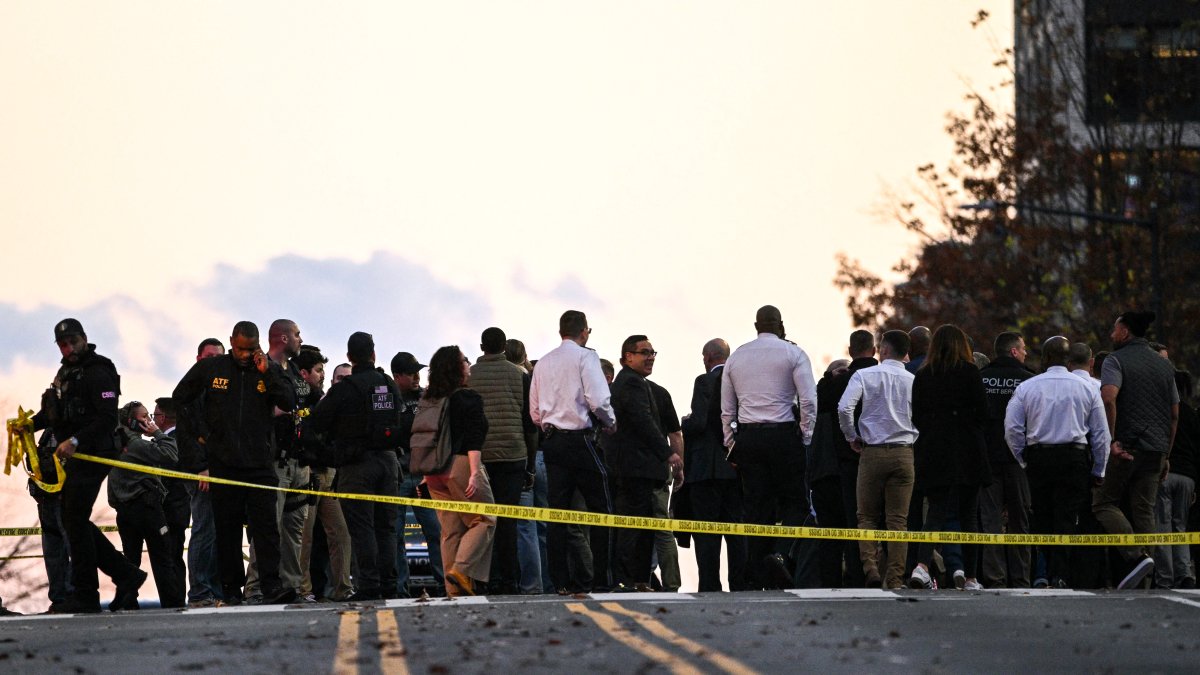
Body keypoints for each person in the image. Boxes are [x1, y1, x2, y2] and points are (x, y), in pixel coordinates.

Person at [173, 321, 296, 605]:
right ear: (231, 342)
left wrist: (270, 373)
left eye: (250, 349)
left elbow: (289, 401)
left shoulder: (268, 369)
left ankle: (271, 586)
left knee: (266, 529)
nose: (244, 355)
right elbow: (181, 398)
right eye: (240, 349)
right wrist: (202, 433)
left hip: (259, 462)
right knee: (226, 530)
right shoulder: (212, 369)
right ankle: (230, 588)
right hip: (223, 462)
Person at [33, 318, 146, 614]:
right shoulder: (66, 373)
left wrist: (76, 441)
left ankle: (87, 593)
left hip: (93, 453)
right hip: (74, 456)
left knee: (73, 520)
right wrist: (28, 425)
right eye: (63, 344)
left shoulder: (99, 371)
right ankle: (125, 575)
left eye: (72, 342)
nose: (68, 348)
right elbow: (52, 411)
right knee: (75, 521)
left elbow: (107, 419)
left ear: (84, 338)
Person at [720, 305, 817, 589]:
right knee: (795, 502)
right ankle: (782, 554)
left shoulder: (736, 357)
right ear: (780, 325)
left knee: (755, 507)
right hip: (784, 433)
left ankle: (756, 571)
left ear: (756, 325)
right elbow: (809, 400)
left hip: (749, 437)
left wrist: (731, 443)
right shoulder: (793, 353)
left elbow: (727, 410)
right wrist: (805, 435)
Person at [1004, 336, 1110, 589]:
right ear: (1069, 359)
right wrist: (1099, 468)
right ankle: (1060, 573)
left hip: (1039, 456)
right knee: (1066, 517)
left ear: (1045, 358)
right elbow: (1100, 433)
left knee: (1041, 516)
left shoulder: (1028, 387)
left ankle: (1045, 570)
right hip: (1074, 457)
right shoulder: (1086, 387)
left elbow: (1012, 428)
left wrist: (1023, 458)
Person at [308, 332, 402, 601]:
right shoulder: (388, 383)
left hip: (355, 465)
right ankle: (389, 583)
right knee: (386, 527)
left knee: (362, 529)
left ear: (350, 357)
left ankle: (370, 585)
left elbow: (316, 425)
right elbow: (398, 420)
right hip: (387, 461)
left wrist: (331, 452)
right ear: (373, 354)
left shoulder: (344, 390)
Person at [529, 310, 617, 594]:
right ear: (585, 332)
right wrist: (610, 422)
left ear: (560, 332)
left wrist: (549, 425)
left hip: (552, 441)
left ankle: (561, 582)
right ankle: (601, 579)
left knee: (558, 513)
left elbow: (534, 412)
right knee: (601, 508)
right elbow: (598, 398)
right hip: (582, 439)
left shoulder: (543, 363)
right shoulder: (586, 357)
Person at [1094, 310, 1179, 589]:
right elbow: (1174, 413)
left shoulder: (1115, 360)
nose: (1111, 335)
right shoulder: (1165, 366)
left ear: (1125, 332)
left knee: (1105, 503)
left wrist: (1113, 440)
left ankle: (1135, 557)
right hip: (1156, 448)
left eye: (1114, 329)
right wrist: (1166, 453)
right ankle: (1146, 576)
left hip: (1128, 446)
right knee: (1144, 509)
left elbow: (1108, 399)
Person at [908, 324, 990, 591]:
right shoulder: (969, 372)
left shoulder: (924, 375)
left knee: (935, 511)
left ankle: (921, 566)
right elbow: (983, 412)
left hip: (934, 449)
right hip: (968, 449)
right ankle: (971, 577)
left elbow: (916, 416)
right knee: (969, 515)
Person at [837, 329, 917, 590]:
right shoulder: (912, 380)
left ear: (883, 350)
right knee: (898, 520)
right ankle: (894, 578)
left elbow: (844, 407)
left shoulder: (863, 375)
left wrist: (852, 436)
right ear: (906, 353)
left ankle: (869, 568)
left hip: (872, 451)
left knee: (867, 516)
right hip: (904, 452)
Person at [421, 346, 495, 597]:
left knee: (451, 530)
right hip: (461, 465)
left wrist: (424, 474)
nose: (468, 363)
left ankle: (453, 590)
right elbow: (475, 437)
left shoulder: (430, 400)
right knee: (484, 519)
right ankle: (462, 571)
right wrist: (475, 472)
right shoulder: (467, 398)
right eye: (464, 360)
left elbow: (425, 437)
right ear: (456, 367)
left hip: (433, 472)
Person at [609, 335, 681, 591]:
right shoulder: (632, 383)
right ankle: (630, 579)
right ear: (628, 356)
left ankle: (638, 579)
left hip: (633, 467)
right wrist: (668, 453)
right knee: (635, 526)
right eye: (644, 352)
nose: (650, 357)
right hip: (636, 467)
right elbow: (643, 421)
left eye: (653, 352)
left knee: (643, 525)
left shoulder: (631, 382)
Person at [468, 327, 536, 595]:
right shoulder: (519, 374)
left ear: (482, 345)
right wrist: (530, 464)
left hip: (480, 458)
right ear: (503, 348)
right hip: (513, 454)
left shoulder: (470, 375)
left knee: (484, 521)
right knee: (508, 521)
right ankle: (510, 579)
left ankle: (487, 579)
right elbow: (529, 423)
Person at [680, 338, 745, 592]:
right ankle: (739, 583)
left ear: (708, 358)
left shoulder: (704, 381)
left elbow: (699, 421)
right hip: (735, 468)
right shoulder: (740, 382)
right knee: (736, 530)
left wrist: (684, 422)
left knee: (706, 532)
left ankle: (709, 585)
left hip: (705, 469)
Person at [107, 401, 185, 609]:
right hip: (147, 509)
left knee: (130, 558)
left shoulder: (113, 442)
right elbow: (171, 455)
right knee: (163, 557)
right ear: (131, 421)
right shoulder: (136, 445)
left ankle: (128, 601)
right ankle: (173, 602)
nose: (149, 421)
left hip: (124, 510)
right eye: (144, 417)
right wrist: (158, 433)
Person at [294, 346, 354, 602]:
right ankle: (303, 589)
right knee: (304, 537)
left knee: (340, 533)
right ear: (304, 373)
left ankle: (344, 587)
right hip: (306, 473)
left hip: (327, 474)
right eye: (319, 370)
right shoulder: (296, 399)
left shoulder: (325, 400)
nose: (322, 375)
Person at [977, 332, 1035, 589]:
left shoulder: (981, 379)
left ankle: (994, 577)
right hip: (1018, 461)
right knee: (1020, 520)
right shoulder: (1029, 381)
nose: (1026, 353)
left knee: (990, 521)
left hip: (987, 460)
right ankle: (1021, 577)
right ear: (1013, 351)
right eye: (1023, 349)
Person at [390, 351, 445, 597]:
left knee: (435, 530)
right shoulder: (389, 398)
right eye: (411, 373)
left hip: (423, 475)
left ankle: (445, 583)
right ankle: (399, 588)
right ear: (397, 376)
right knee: (396, 534)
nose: (416, 377)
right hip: (400, 474)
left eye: (418, 372)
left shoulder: (426, 397)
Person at [264, 319, 310, 599]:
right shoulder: (262, 369)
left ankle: (292, 586)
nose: (300, 339)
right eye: (296, 334)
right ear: (282, 338)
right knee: (269, 529)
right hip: (274, 462)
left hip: (298, 460)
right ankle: (258, 587)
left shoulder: (293, 370)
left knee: (294, 531)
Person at [178, 337, 225, 607]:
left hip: (218, 469)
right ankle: (199, 591)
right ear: (199, 359)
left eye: (218, 357)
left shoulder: (217, 388)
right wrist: (201, 468)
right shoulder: (192, 389)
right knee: (204, 530)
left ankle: (213, 589)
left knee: (217, 531)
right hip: (202, 471)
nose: (213, 362)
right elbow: (188, 435)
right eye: (209, 357)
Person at [506, 338, 549, 594]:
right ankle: (547, 583)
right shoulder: (536, 382)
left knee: (523, 526)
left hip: (520, 458)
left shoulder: (507, 382)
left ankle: (528, 583)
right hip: (543, 455)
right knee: (544, 525)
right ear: (524, 357)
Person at [1153, 370, 1197, 589]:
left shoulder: (1164, 411)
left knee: (1162, 525)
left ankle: (1164, 576)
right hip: (1188, 478)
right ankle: (1185, 572)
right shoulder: (1192, 414)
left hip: (1166, 474)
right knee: (1181, 526)